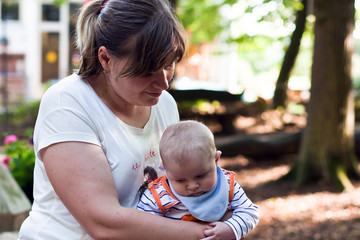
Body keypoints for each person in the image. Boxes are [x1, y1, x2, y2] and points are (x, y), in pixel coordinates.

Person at [18, 0, 212, 239]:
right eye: (147, 70)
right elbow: (103, 222)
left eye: (169, 64)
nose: (164, 83)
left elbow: (177, 184)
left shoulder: (164, 103)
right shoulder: (68, 103)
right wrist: (207, 233)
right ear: (106, 59)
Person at [137, 120, 259, 240]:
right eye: (180, 180)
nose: (192, 186)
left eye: (200, 176)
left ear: (216, 160)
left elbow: (249, 211)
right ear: (165, 169)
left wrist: (231, 228)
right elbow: (145, 226)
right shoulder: (157, 196)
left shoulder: (226, 185)